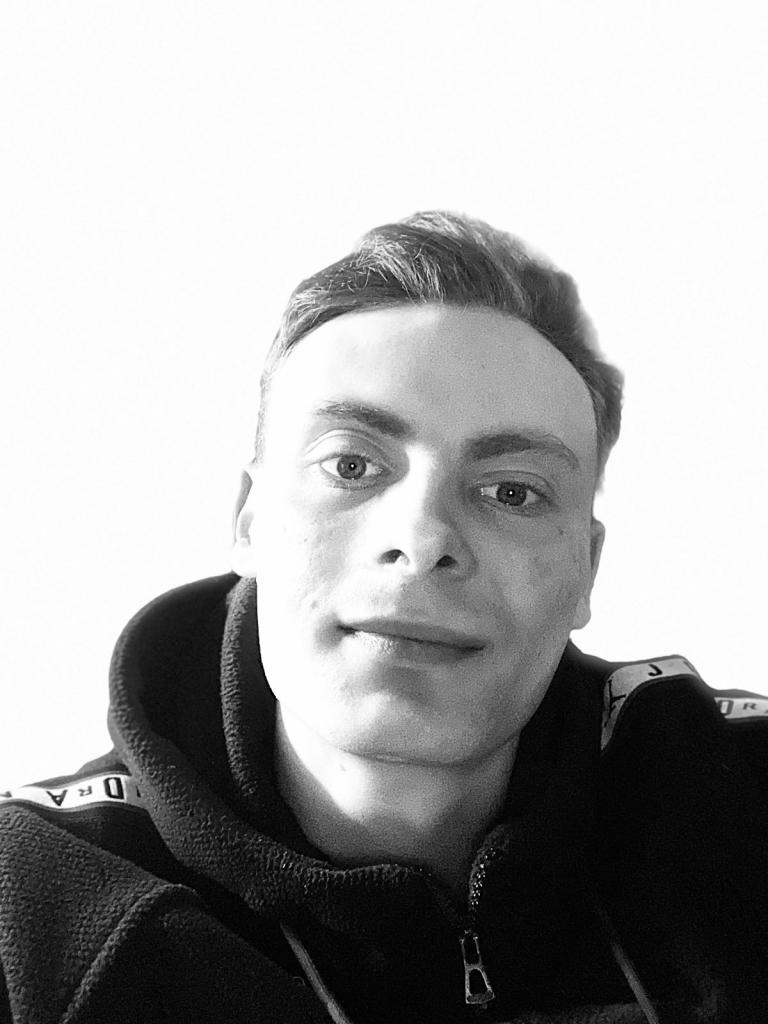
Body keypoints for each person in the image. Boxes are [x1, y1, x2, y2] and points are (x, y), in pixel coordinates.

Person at [1, 211, 766, 1024]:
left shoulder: (744, 793)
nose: (424, 539)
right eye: (351, 465)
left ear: (587, 568)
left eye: (512, 491)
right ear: (249, 521)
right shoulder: (35, 911)